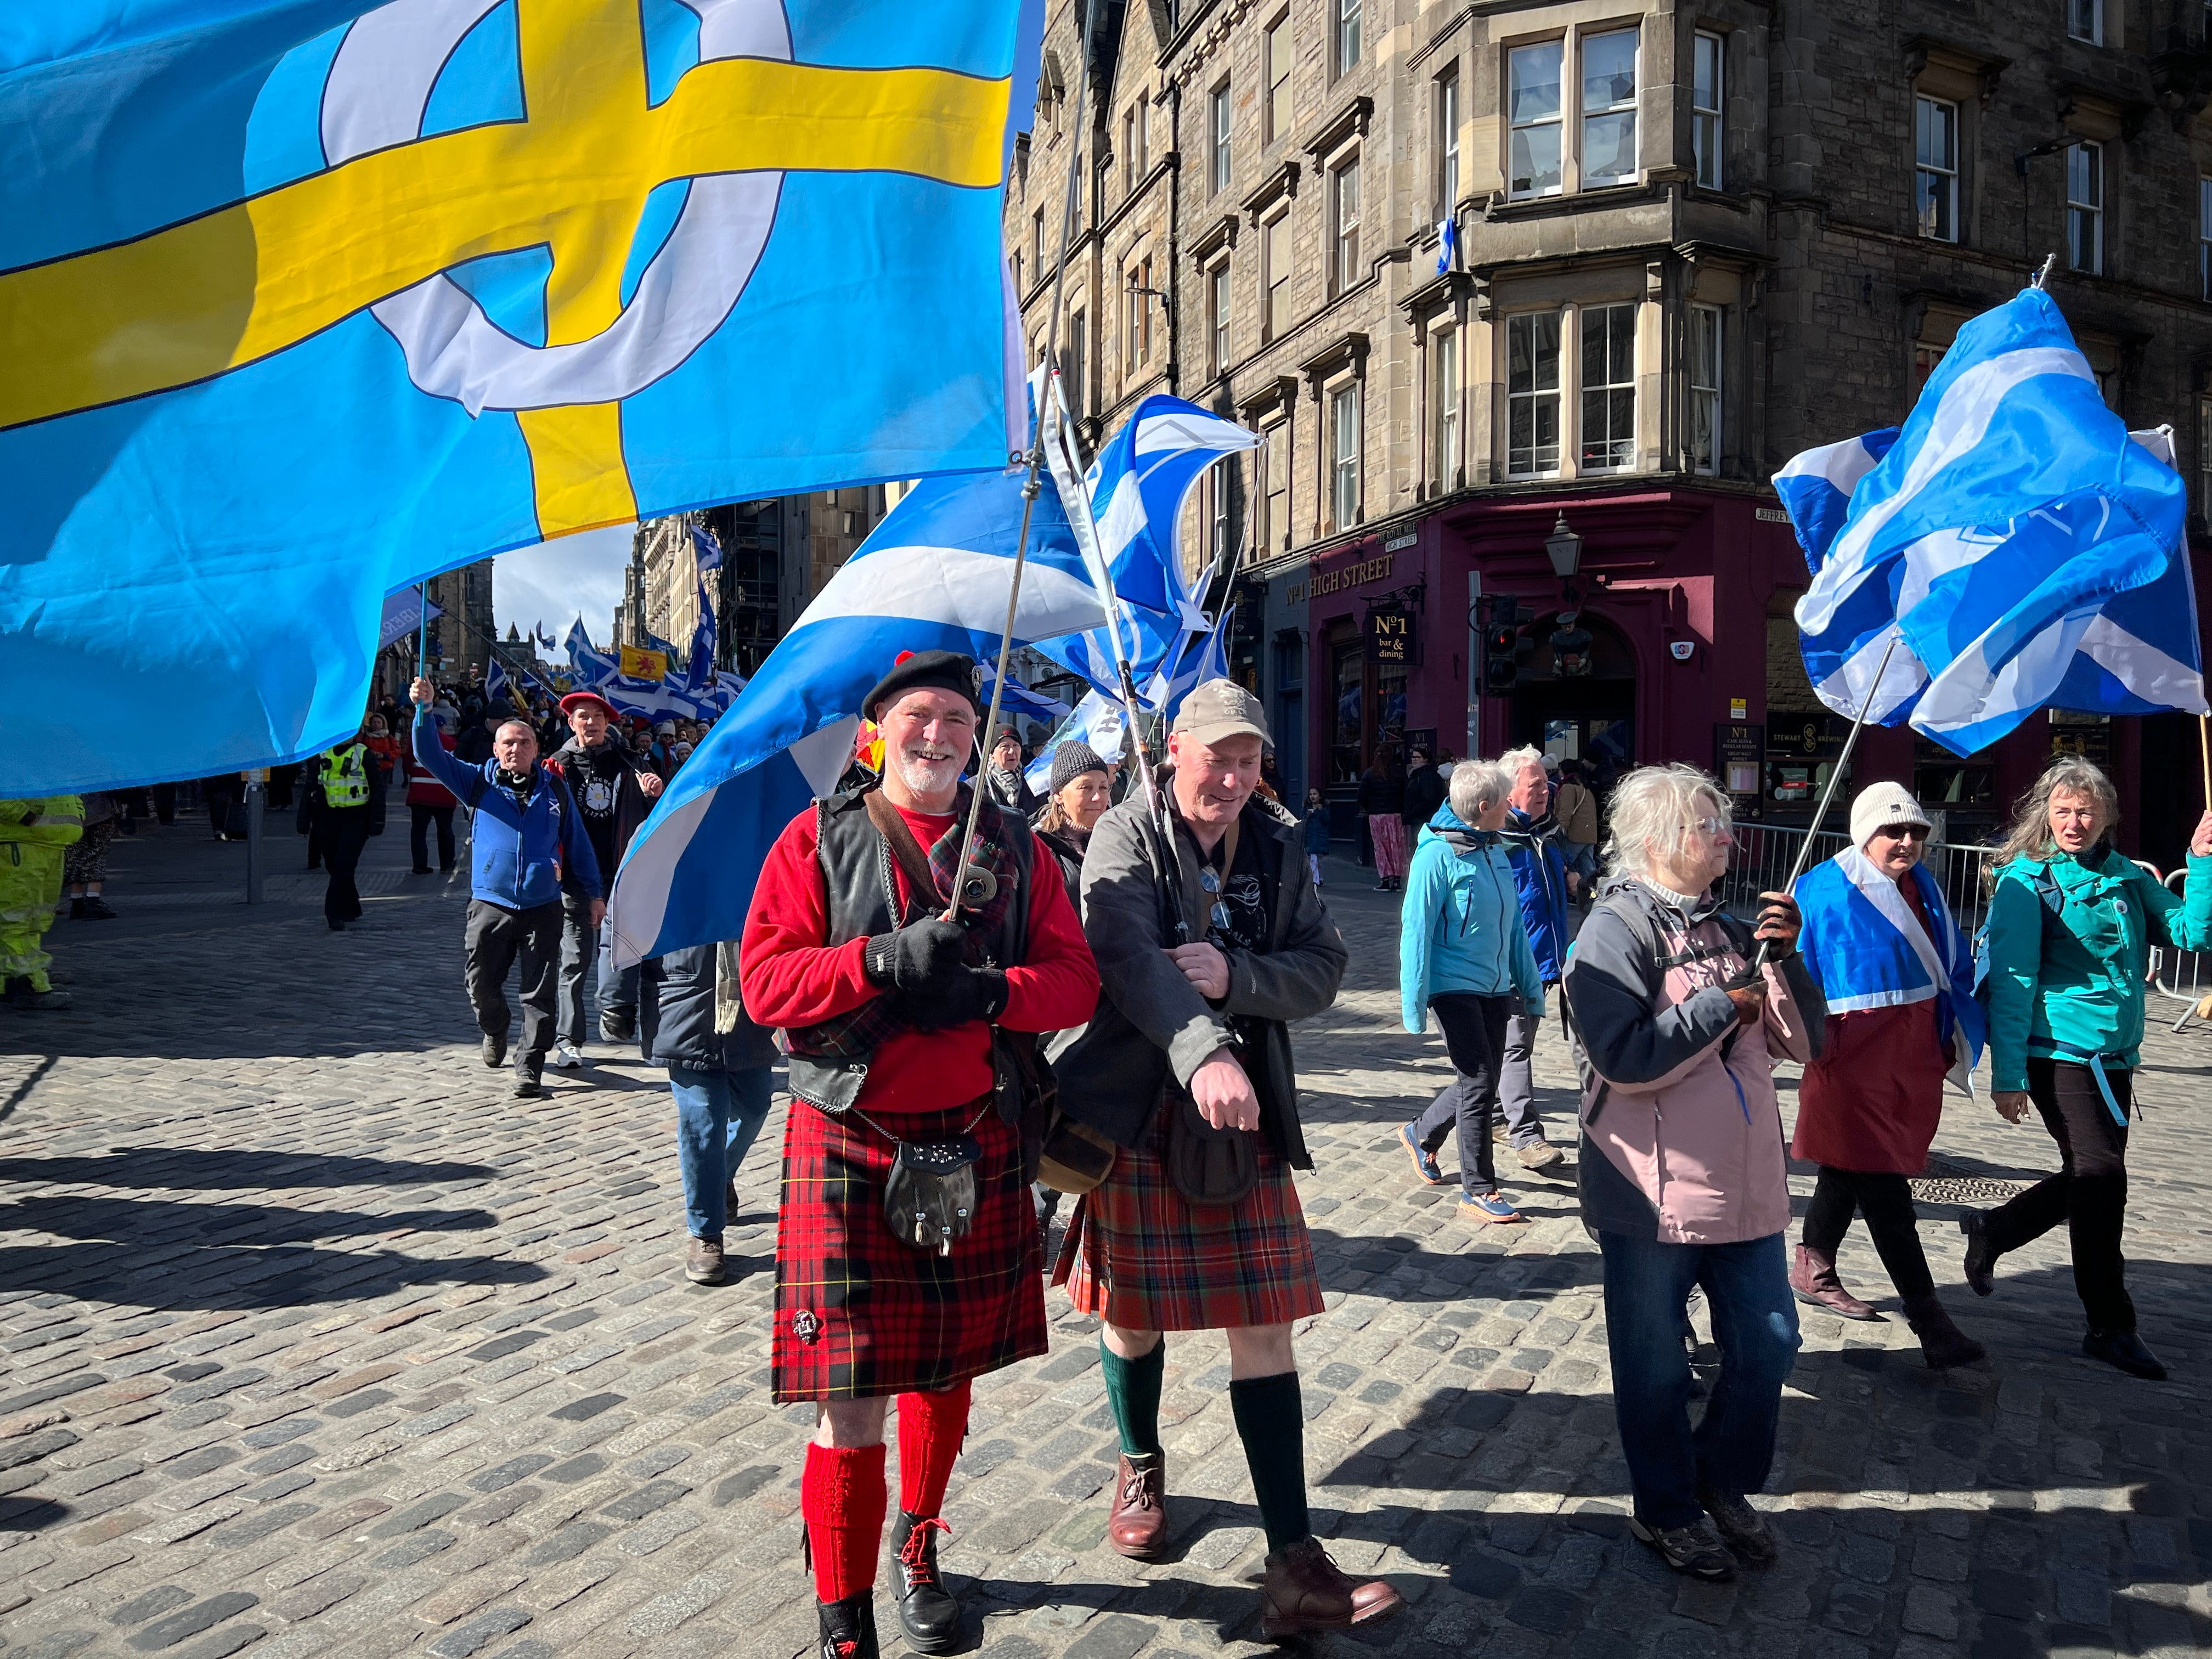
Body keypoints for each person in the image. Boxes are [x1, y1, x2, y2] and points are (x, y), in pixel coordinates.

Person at [739, 650, 1098, 1659]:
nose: (937, 732)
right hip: (849, 1138)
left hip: (976, 1132)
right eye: (917, 715)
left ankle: (923, 1542)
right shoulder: (817, 837)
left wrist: (992, 994)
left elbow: (1073, 982)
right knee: (846, 1396)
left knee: (945, 1375)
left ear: (976, 734)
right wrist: (879, 960)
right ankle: (843, 1622)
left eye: (954, 715)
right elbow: (765, 982)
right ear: (878, 728)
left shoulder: (1018, 854)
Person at [1052, 681, 1398, 1639]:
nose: (1236, 776)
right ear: (1175, 750)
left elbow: (1324, 965)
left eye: (1249, 758)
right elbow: (1120, 951)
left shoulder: (1283, 843)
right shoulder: (1126, 833)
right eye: (1218, 757)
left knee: (1266, 1321)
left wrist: (1236, 975)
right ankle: (1141, 1459)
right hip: (1139, 1107)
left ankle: (1292, 1555)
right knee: (1130, 1315)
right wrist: (1202, 1044)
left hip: (1243, 1121)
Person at [1562, 763, 1822, 1582]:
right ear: (1661, 838)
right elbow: (1622, 1056)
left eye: (1723, 824)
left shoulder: (1730, 929)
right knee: (1656, 1368)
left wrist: (1787, 960)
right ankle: (1666, 1509)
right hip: (1653, 1195)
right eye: (1709, 826)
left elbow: (1805, 1045)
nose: (1726, 839)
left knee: (1770, 1345)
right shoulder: (1614, 929)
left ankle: (1722, 1481)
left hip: (1745, 1190)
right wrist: (1724, 1006)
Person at [1963, 758, 2212, 1382]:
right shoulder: (2029, 883)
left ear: (2107, 817)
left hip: (2117, 1056)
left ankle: (1995, 1227)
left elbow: (2191, 934)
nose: (2076, 822)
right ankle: (2111, 1325)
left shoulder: (2128, 877)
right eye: (2065, 810)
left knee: (2091, 1177)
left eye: (2088, 811)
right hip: (2058, 1053)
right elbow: (2015, 983)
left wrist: (2202, 859)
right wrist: (2009, 1075)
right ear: (2046, 814)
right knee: (2102, 1179)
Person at [1787, 783, 1987, 1368]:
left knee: (1849, 1167)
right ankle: (1929, 1319)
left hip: (1909, 1058)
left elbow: (1947, 966)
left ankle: (1813, 1261)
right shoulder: (1823, 888)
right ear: (1863, 833)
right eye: (1893, 831)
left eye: (1916, 833)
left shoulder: (1922, 887)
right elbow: (1795, 976)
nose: (1906, 842)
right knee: (1882, 1186)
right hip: (1850, 1063)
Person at [409, 678, 602, 1100]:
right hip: (491, 905)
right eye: (508, 743)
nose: (517, 749)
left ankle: (530, 1067)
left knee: (540, 994)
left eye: (525, 742)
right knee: (481, 984)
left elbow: (578, 842)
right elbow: (428, 754)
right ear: (497, 750)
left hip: (543, 906)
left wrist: (594, 893)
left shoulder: (555, 789)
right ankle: (494, 1028)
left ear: (537, 748)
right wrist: (424, 711)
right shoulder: (476, 783)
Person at [1397, 760, 1545, 1224]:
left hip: (1496, 985)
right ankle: (1479, 1187)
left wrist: (1531, 986)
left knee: (1481, 1077)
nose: (1512, 806)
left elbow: (1516, 929)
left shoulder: (1496, 849)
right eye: (1506, 800)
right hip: (1452, 985)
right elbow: (1416, 931)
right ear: (1485, 808)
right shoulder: (1436, 857)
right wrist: (1414, 1003)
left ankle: (1421, 1133)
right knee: (1481, 1081)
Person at [640, 940, 779, 1285]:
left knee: (755, 1107)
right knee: (704, 1122)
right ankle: (705, 1233)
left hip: (749, 1012)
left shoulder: (752, 883)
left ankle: (718, 1178)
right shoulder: (666, 883)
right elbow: (627, 924)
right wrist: (615, 999)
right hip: (684, 1006)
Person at [546, 690, 664, 1066]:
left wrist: (655, 794)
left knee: (641, 954)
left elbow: (660, 815)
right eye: (584, 716)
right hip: (577, 879)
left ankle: (652, 1042)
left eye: (599, 717)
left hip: (623, 875)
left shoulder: (630, 764)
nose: (592, 723)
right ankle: (569, 1040)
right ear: (571, 723)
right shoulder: (556, 768)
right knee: (574, 960)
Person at [1494, 747, 1573, 1172]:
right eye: (1536, 784)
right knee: (1516, 1049)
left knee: (1503, 1051)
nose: (1546, 790)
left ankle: (1487, 1117)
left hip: (1544, 961)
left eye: (1547, 783)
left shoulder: (1542, 834)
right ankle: (1526, 1135)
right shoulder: (1497, 842)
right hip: (1510, 964)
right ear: (1510, 793)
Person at [0, 794, 83, 1010]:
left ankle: (13, 978)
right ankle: (29, 982)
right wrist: (27, 818)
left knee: (35, 916)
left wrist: (76, 816)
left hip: (45, 843)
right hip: (22, 843)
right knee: (17, 918)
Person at [315, 723, 383, 933]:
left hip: (357, 818)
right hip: (329, 817)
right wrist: (303, 819)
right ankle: (352, 904)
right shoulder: (323, 754)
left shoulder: (365, 755)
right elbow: (312, 786)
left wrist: (377, 821)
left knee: (344, 864)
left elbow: (378, 790)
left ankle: (333, 912)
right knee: (334, 865)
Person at [404, 713, 460, 875]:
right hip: (444, 794)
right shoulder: (451, 743)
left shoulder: (417, 742)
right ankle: (447, 863)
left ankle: (420, 865)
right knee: (445, 830)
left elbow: (408, 764)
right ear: (442, 727)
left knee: (419, 831)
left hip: (420, 794)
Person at [64, 792, 120, 919]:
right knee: (97, 852)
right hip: (100, 810)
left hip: (71, 812)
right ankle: (93, 900)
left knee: (74, 856)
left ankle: (77, 902)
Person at [1357, 755, 1407, 891]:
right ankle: (1397, 881)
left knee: (1381, 848)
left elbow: (1361, 795)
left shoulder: (1370, 773)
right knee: (1397, 847)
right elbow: (1406, 792)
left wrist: (1370, 807)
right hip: (1396, 814)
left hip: (1377, 815)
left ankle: (1385, 880)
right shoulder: (1399, 772)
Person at [1555, 759, 1600, 900]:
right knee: (1588, 869)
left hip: (1574, 835)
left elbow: (1565, 813)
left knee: (1564, 864)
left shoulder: (1568, 788)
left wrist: (1559, 829)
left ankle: (1564, 894)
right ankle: (1595, 895)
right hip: (1589, 835)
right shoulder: (1586, 788)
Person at [983, 727, 1038, 815]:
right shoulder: (976, 787)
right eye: (1005, 746)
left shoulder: (1034, 782)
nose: (1012, 751)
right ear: (991, 754)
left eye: (1016, 746)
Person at [1401, 744, 1446, 839]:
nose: (1414, 760)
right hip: (1418, 818)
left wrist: (1412, 812)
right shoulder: (1416, 774)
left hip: (1423, 819)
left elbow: (1429, 799)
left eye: (1418, 757)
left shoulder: (1426, 775)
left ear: (1425, 759)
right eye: (1413, 757)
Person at [1300, 788, 1330, 890]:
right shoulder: (1306, 808)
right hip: (1310, 836)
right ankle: (1315, 879)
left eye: (1315, 794)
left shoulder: (1324, 808)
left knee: (1319, 860)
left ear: (1320, 796)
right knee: (1313, 858)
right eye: (1311, 794)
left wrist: (1321, 811)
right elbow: (1302, 820)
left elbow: (1327, 820)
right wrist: (1307, 815)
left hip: (1320, 836)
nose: (1312, 796)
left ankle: (1319, 878)